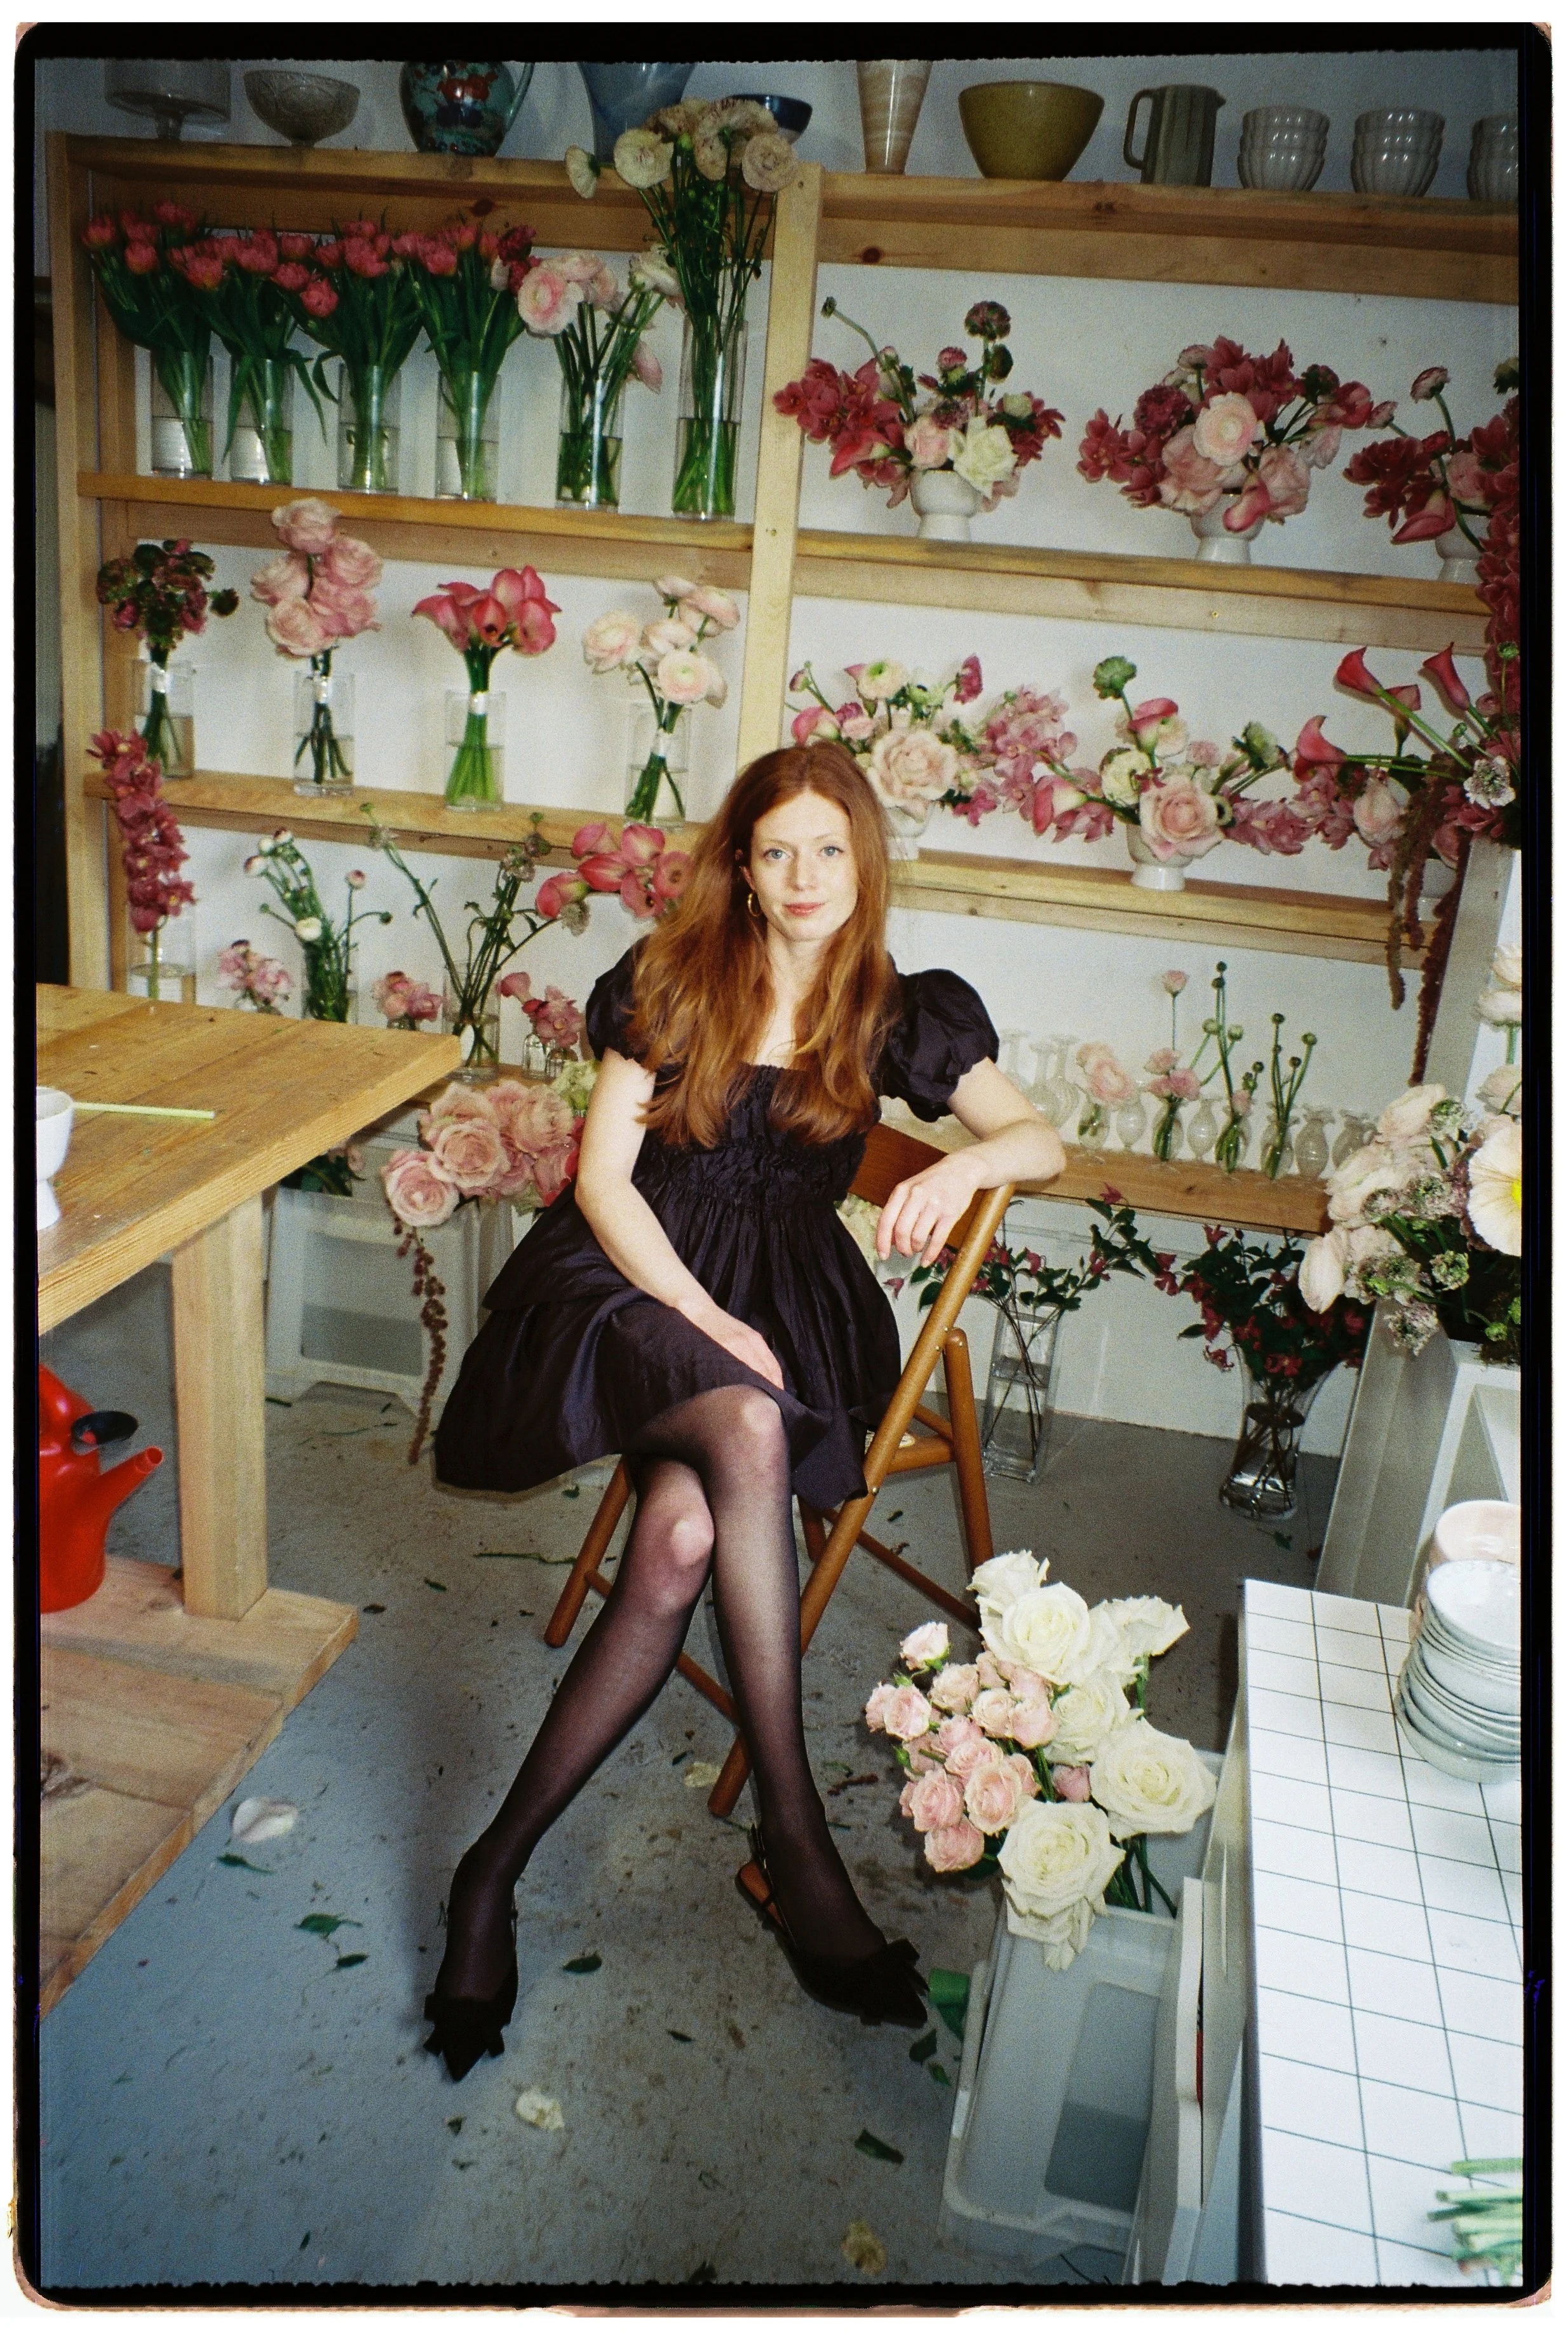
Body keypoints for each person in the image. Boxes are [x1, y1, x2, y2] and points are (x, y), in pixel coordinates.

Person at [426, 742, 1066, 2078]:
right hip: (632, 1282)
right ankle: (795, 1835)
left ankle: (489, 1872)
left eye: (829, 850)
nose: (803, 876)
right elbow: (604, 1183)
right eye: (777, 851)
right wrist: (706, 1322)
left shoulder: (899, 1012)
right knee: (753, 1421)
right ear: (742, 864)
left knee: (676, 1543)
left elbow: (1043, 1141)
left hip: (782, 1297)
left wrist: (966, 1168)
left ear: (864, 863)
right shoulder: (670, 981)